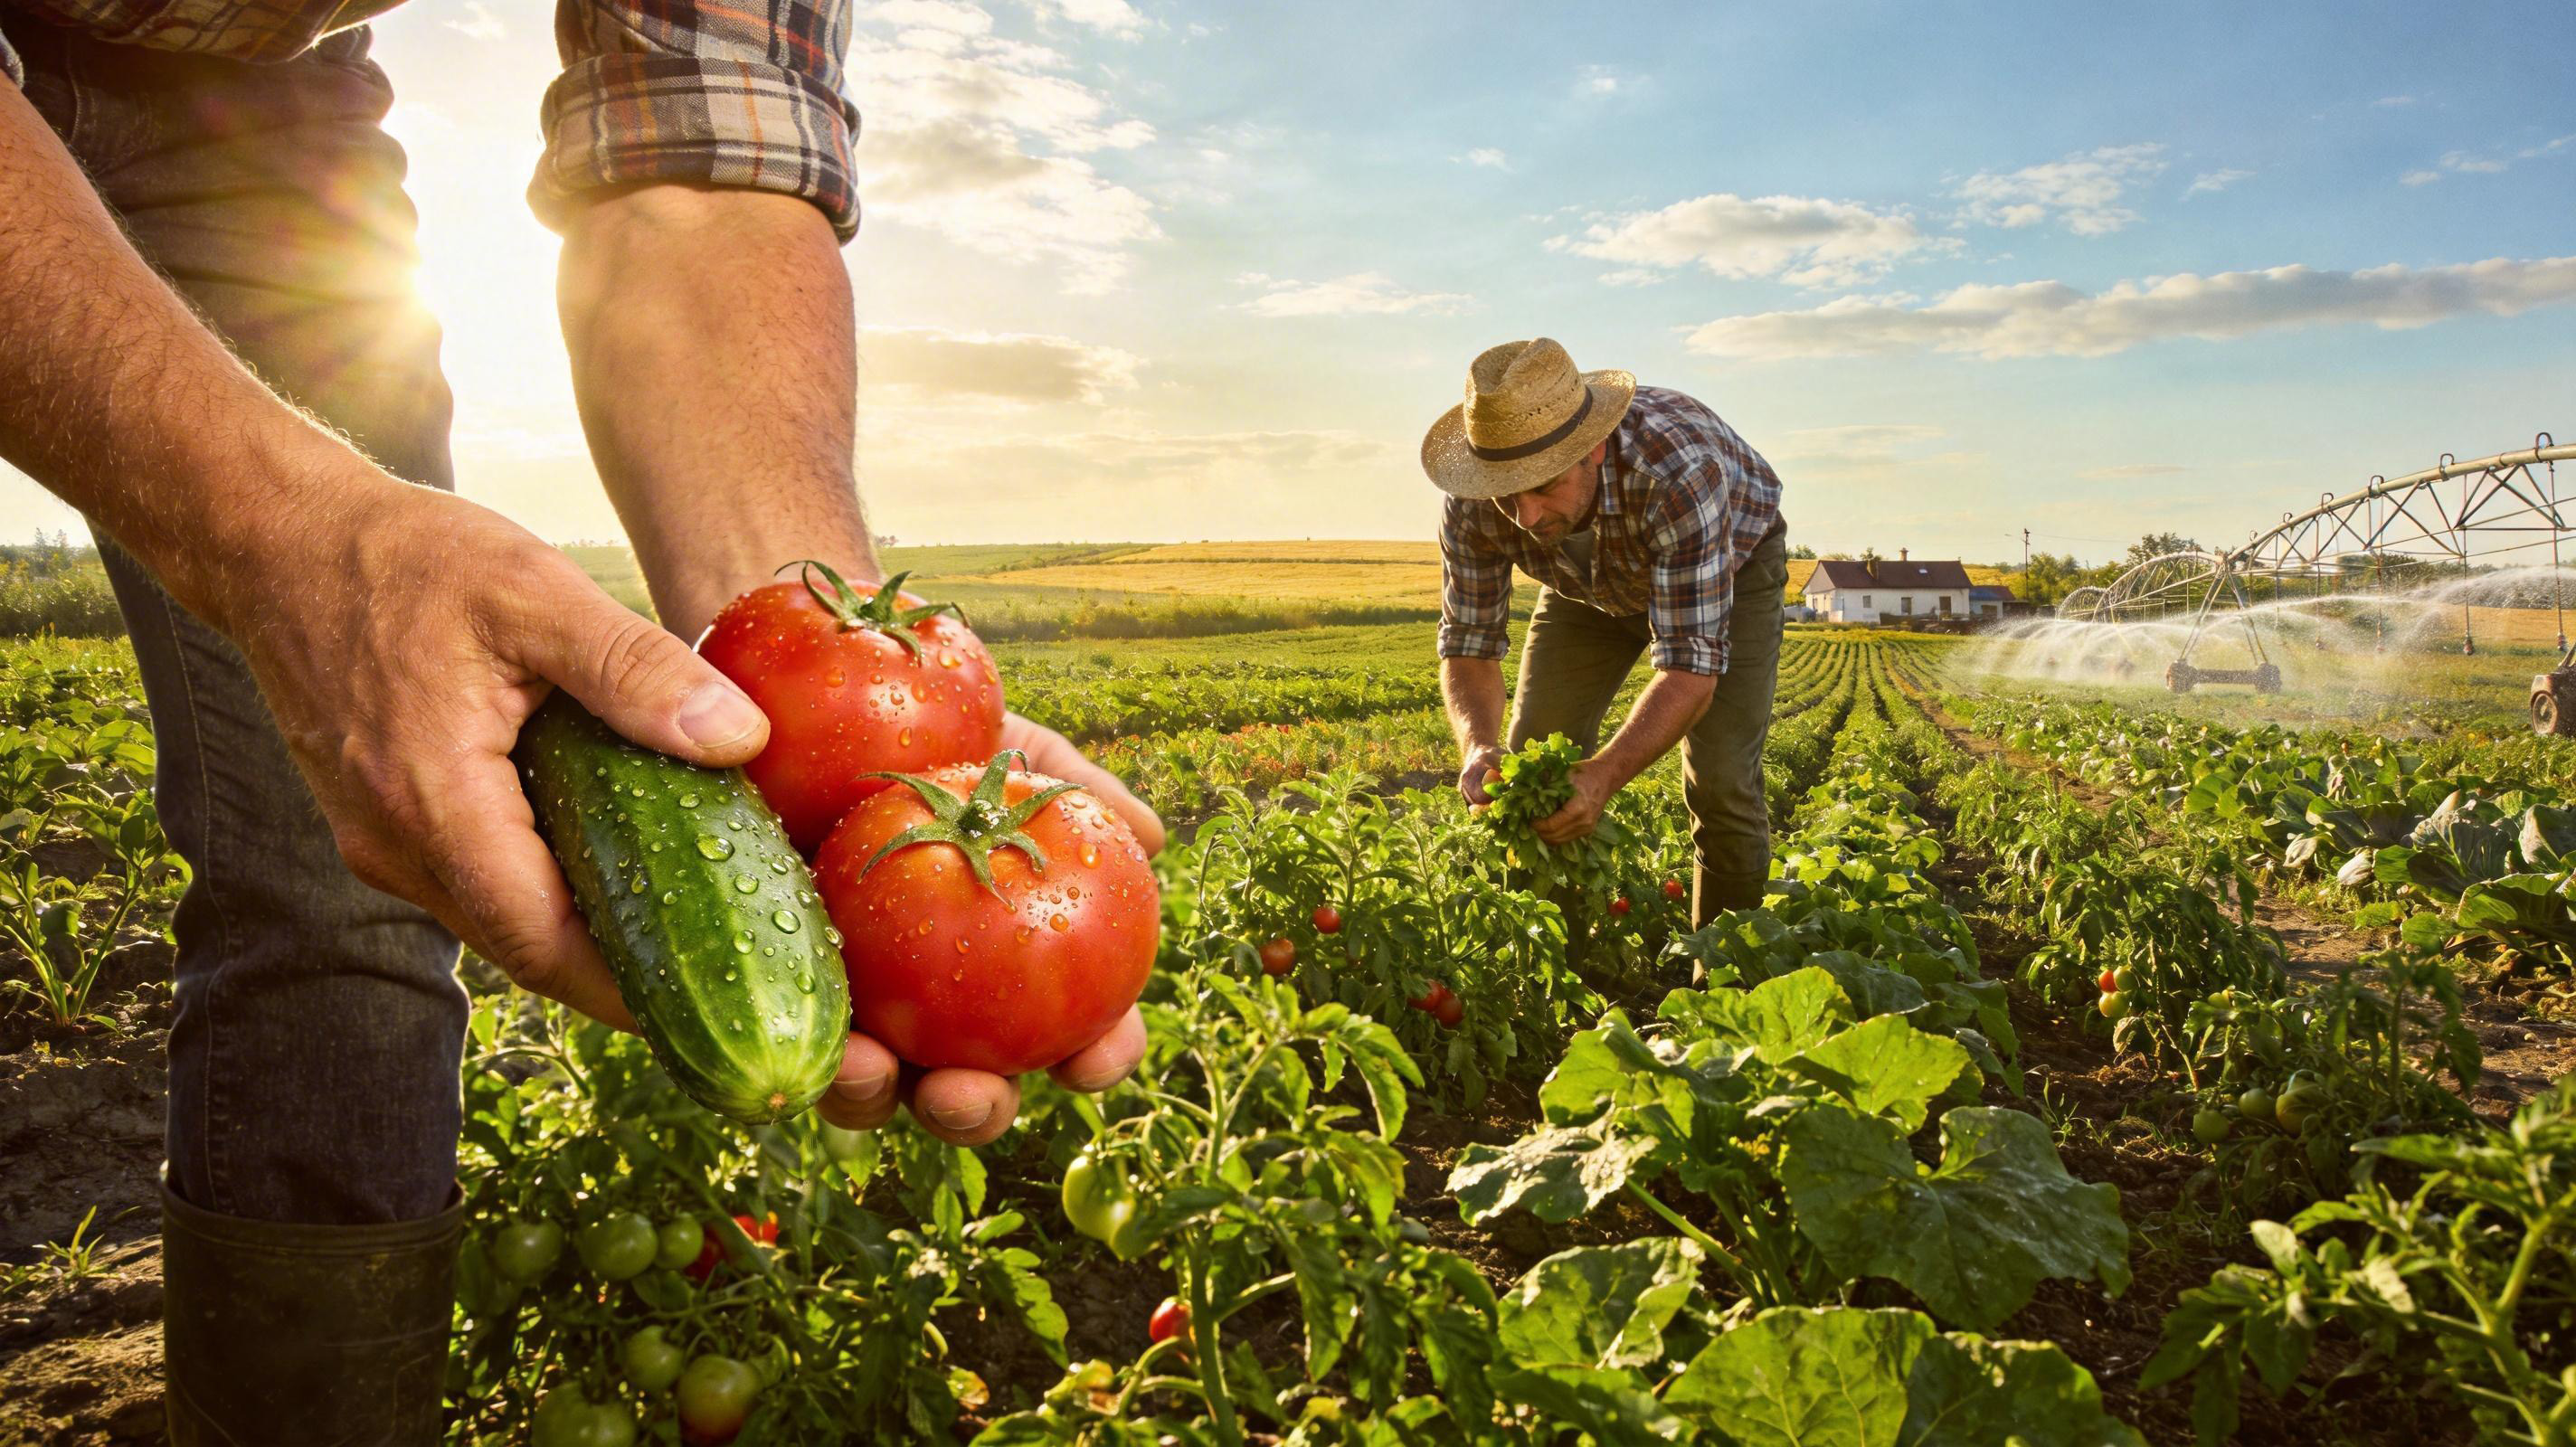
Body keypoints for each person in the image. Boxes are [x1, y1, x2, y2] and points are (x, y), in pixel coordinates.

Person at [0, 5, 1156, 1439]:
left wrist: (809, 646)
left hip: (255, 103)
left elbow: (702, 140)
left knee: (355, 858)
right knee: (334, 715)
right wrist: (291, 542)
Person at [1425, 338, 1786, 927]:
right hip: (1585, 587)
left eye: (1544, 487)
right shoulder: (1471, 503)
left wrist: (1602, 777)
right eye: (1507, 495)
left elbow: (1690, 672)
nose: (1528, 518)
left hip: (1729, 571)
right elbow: (1468, 642)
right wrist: (1477, 746)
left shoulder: (1676, 471)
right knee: (1529, 762)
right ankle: (1548, 971)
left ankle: (1726, 985)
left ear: (1593, 450)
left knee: (1722, 779)